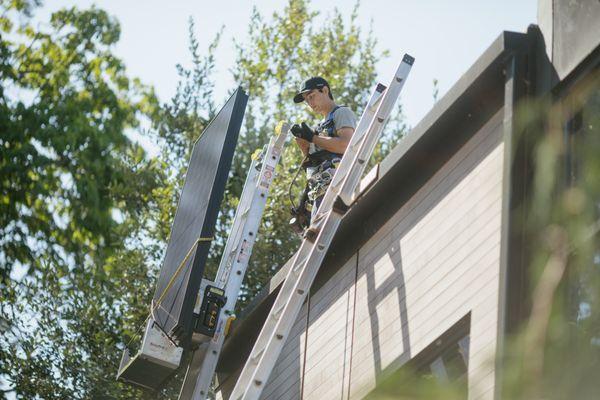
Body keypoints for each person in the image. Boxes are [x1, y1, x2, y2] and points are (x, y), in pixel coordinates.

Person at [289, 77, 357, 233]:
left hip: (338, 186)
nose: (310, 103)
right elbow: (314, 162)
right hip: (320, 193)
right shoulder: (319, 129)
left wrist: (313, 138)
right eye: (307, 100)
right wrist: (304, 147)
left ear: (325, 90)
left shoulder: (341, 113)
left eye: (311, 96)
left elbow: (346, 145)